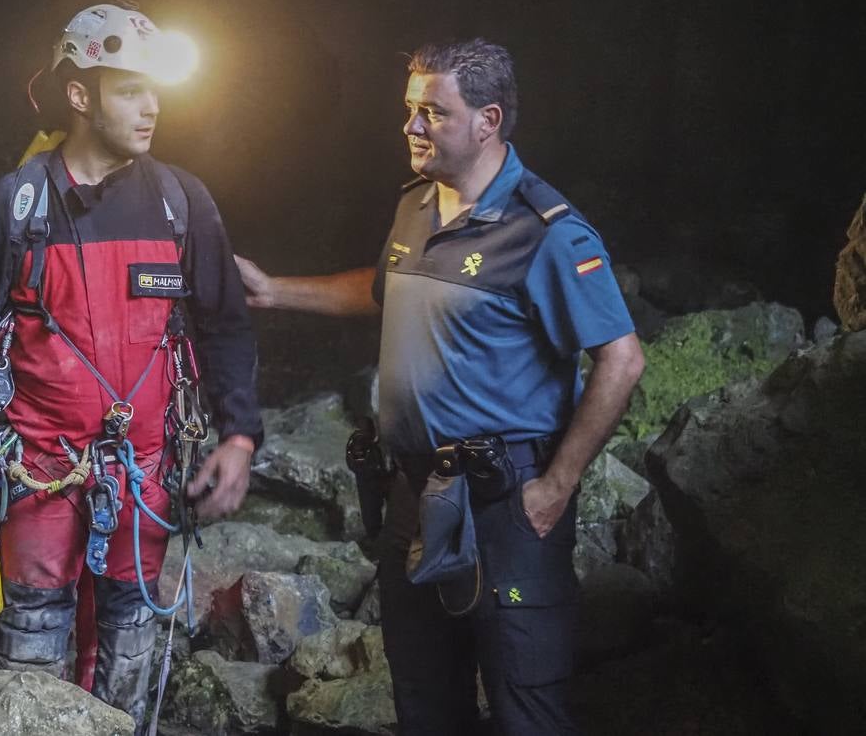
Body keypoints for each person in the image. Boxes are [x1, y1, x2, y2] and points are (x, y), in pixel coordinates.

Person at [236, 39, 644, 735]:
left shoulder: (544, 231)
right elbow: (380, 292)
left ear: (487, 120)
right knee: (424, 700)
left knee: (524, 704)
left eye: (433, 112)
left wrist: (553, 489)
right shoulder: (416, 205)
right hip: (414, 496)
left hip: (505, 500)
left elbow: (622, 359)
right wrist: (273, 291)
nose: (411, 127)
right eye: (409, 110)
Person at [0, 2, 262, 727]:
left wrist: (239, 435)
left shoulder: (180, 202)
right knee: (31, 653)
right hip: (40, 468)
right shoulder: (15, 205)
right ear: (80, 95)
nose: (151, 108)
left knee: (131, 653)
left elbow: (225, 325)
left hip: (142, 471)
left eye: (155, 91)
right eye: (130, 90)